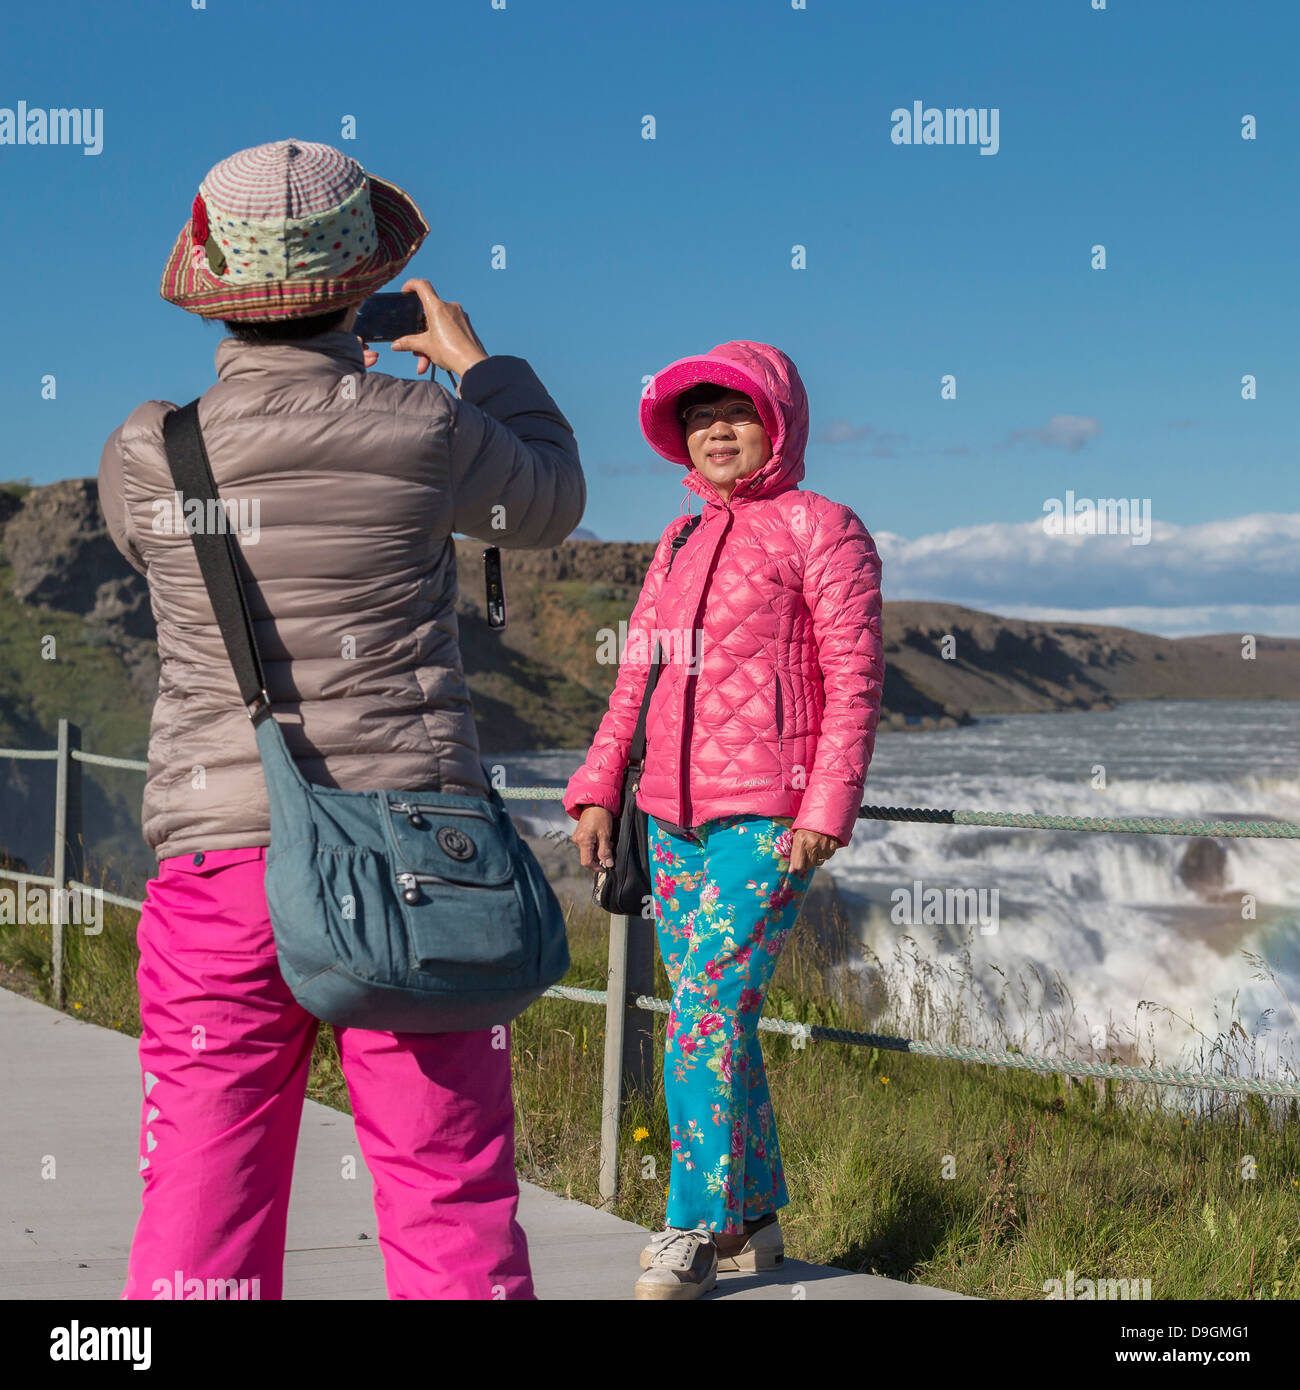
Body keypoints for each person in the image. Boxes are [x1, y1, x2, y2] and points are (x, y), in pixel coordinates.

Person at [97, 138, 585, 1300]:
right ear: (360, 285)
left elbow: (154, 561)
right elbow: (550, 501)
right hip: (413, 861)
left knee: (202, 1184)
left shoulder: (146, 451)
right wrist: (477, 362)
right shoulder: (426, 429)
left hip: (221, 857)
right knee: (443, 1181)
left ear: (218, 287)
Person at [564, 341, 884, 1300]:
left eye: (735, 412)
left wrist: (829, 803)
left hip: (769, 813)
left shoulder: (822, 528)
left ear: (777, 422)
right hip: (667, 814)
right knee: (717, 1015)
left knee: (703, 1014)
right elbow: (637, 679)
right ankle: (756, 1219)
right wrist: (596, 785)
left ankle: (692, 1227)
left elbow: (854, 680)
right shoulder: (674, 542)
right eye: (699, 416)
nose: (715, 430)